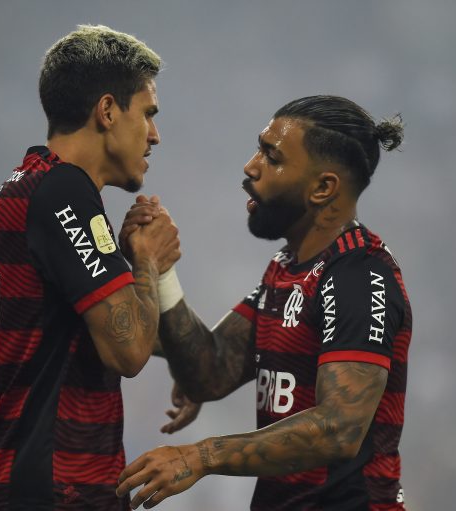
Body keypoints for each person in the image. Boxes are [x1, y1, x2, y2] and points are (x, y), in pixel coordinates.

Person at [116, 95, 411, 510]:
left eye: (272, 157)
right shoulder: (286, 269)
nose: (251, 166)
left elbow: (340, 428)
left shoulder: (358, 276)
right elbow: (211, 370)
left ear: (324, 187)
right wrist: (157, 269)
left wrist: (201, 456)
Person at [0, 25, 181, 510]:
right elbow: (128, 350)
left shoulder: (36, 185)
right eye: (147, 114)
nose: (155, 135)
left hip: (25, 481)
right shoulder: (63, 192)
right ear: (106, 111)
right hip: (50, 488)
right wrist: (145, 261)